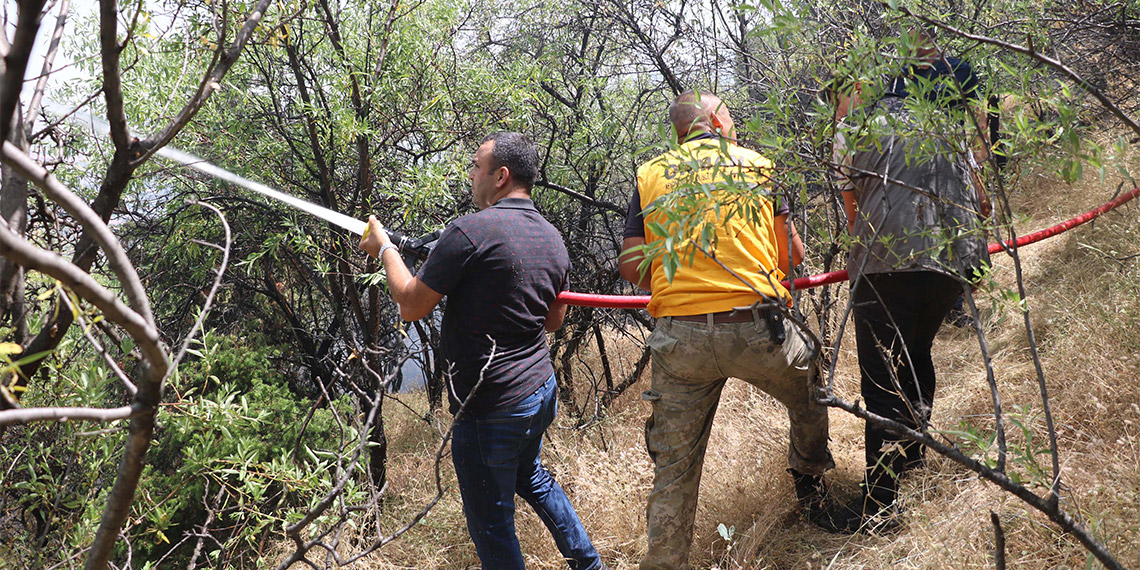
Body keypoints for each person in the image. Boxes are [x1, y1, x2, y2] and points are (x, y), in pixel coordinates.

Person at [359, 132, 605, 570]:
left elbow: (411, 305)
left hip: (491, 408)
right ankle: (590, 565)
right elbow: (553, 321)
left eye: (476, 166)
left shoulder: (470, 231)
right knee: (532, 476)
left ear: (501, 176)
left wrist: (386, 249)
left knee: (493, 527)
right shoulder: (552, 238)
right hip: (538, 391)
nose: (471, 175)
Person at [619, 90, 838, 569]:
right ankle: (810, 484)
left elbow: (633, 267)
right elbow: (791, 258)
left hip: (681, 341)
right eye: (732, 120)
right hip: (757, 331)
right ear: (718, 122)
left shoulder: (650, 175)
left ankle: (665, 562)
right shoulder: (758, 166)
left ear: (679, 133)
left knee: (674, 473)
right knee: (809, 393)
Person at [829, 78, 991, 533]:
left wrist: (863, 255)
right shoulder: (946, 121)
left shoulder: (853, 124)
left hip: (886, 264)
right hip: (952, 260)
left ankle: (879, 505)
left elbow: (853, 209)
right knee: (918, 352)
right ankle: (913, 457)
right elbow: (981, 201)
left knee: (881, 380)